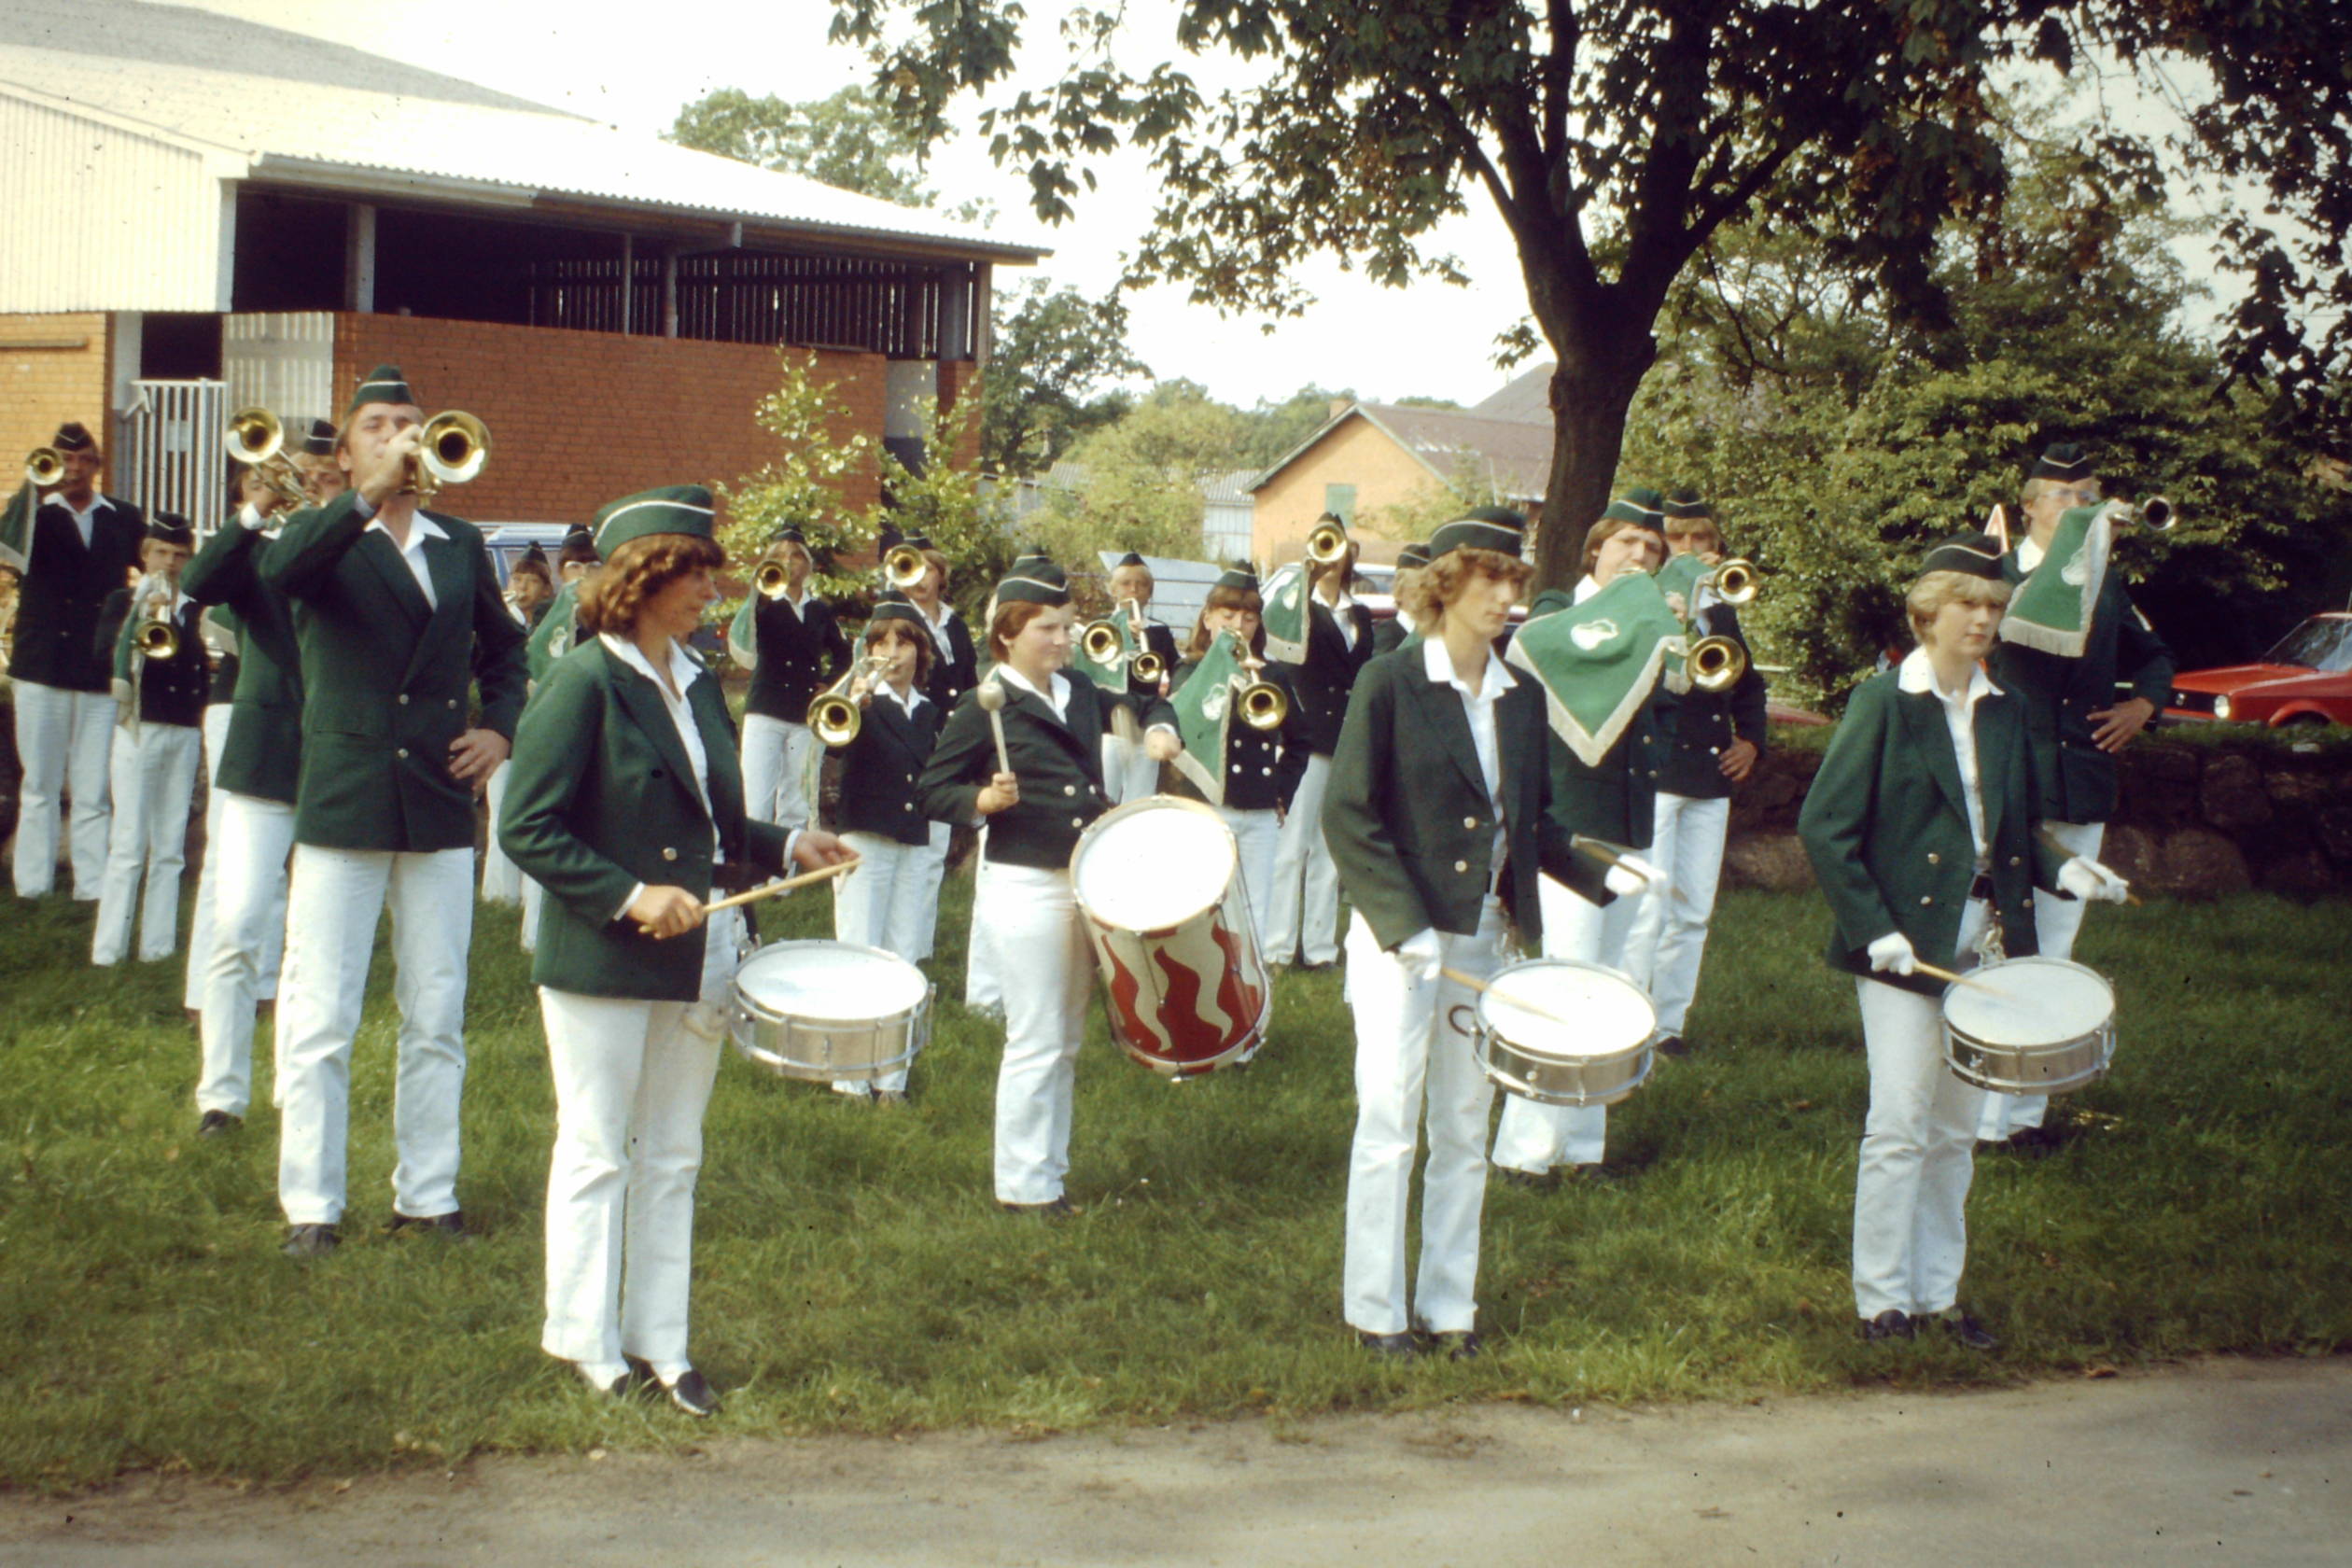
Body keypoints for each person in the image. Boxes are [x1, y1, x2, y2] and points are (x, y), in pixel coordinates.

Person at [499, 484, 848, 1414]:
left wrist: (782, 845)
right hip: (603, 961)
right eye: (694, 573)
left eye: (710, 572)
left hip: (702, 949)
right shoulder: (583, 681)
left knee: (675, 1155)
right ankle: (585, 1341)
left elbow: (711, 816)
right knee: (596, 1150)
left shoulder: (695, 679)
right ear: (642, 577)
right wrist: (626, 895)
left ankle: (661, 1340)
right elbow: (526, 828)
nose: (713, 590)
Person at [1798, 534, 2129, 1348]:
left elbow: (2011, 830)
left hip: (1985, 943)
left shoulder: (2006, 706)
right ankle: (1881, 1301)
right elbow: (1825, 828)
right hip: (1902, 947)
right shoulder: (1883, 702)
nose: (1984, 619)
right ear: (1928, 614)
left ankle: (1938, 1295)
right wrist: (1874, 930)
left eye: (1993, 605)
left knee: (1956, 1130)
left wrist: (2068, 871)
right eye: (1968, 605)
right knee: (1902, 1120)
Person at [259, 365, 529, 1259]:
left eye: (413, 422)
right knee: (322, 1013)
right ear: (348, 450)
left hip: (439, 802)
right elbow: (282, 574)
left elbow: (508, 654)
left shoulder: (456, 542)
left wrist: (500, 732)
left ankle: (428, 1192)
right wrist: (360, 499)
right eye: (379, 425)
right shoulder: (321, 533)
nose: (403, 437)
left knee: (438, 1007)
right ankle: (313, 1206)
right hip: (345, 798)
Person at [1323, 507, 1581, 1359]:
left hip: (1482, 942)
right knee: (1392, 1122)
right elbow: (1350, 816)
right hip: (1403, 943)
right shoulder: (1390, 682)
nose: (1508, 596)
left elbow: (1528, 821)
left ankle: (1449, 1306)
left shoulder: (1522, 695)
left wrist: (1609, 877)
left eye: (1515, 579)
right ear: (1446, 587)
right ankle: (1376, 1310)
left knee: (1466, 1130)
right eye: (1491, 579)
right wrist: (1403, 929)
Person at [918, 559, 1176, 1213]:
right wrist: (981, 798)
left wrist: (1161, 727)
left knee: (1067, 1037)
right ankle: (1022, 1185)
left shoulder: (1081, 690)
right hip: (1025, 883)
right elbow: (930, 789)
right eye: (1048, 629)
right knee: (1035, 1036)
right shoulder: (984, 706)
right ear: (1008, 634)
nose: (1063, 640)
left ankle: (1049, 1173)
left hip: (1087, 879)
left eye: (1067, 627)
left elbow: (1146, 697)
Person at [1975, 442, 2175, 1149]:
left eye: (2090, 494)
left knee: (2055, 947)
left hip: (2078, 778)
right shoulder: (1993, 576)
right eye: (2065, 496)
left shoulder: (2105, 581)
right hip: (2006, 778)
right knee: (1991, 942)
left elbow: (2155, 656)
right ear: (2028, 506)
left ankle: (2022, 1117)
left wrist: (2142, 708)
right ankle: (1970, 1104)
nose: (2082, 506)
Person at [1488, 495, 1673, 1185]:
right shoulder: (1556, 613)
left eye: (1653, 551)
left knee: (1612, 985)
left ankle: (1583, 1144)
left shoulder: (1652, 620)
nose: (1640, 558)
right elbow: (1545, 647)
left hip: (1629, 820)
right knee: (1567, 978)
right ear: (1595, 547)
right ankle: (1525, 1149)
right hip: (1569, 823)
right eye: (1627, 543)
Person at [183, 422, 336, 1032]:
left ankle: (268, 990)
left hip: (322, 734)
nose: (314, 487)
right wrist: (256, 511)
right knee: (234, 877)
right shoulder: (261, 546)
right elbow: (201, 587)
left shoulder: (353, 546)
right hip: (255, 723)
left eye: (327, 478)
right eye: (305, 476)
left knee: (295, 890)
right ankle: (208, 996)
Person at [1620, 492, 1770, 1058]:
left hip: (1709, 776)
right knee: (1646, 908)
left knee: (1692, 909)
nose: (1689, 549)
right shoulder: (1649, 599)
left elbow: (1749, 684)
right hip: (1659, 771)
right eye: (1676, 538)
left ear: (1716, 545)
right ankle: (1631, 1019)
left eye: (1699, 538)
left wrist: (1752, 741)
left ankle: (1669, 1025)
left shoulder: (1723, 612)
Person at [4, 421, 146, 899]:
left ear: (97, 466)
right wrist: (32, 488)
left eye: (84, 460)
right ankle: (32, 885)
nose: (74, 469)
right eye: (65, 459)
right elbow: (7, 551)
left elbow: (158, 564)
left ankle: (92, 886)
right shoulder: (33, 515)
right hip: (41, 665)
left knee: (91, 788)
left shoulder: (123, 516)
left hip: (96, 666)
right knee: (39, 784)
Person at [826, 594, 945, 1103]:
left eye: (904, 642)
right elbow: (834, 744)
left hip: (912, 840)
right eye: (880, 642)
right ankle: (850, 1080)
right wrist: (854, 702)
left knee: (902, 959)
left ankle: (891, 1078)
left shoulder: (930, 711)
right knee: (857, 953)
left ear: (921, 651)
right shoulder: (859, 701)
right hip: (864, 840)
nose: (892, 652)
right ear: (866, 651)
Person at [89, 517, 206, 966]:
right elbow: (103, 653)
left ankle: (157, 948)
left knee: (170, 843)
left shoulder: (196, 606)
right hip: (139, 726)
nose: (170, 563)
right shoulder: (123, 600)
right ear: (145, 554)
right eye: (162, 553)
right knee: (129, 841)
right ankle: (108, 949)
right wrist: (143, 614)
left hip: (183, 727)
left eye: (179, 555)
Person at [1166, 566, 1305, 934]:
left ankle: (1251, 984)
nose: (1238, 626)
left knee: (1256, 906)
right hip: (1207, 804)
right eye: (1227, 616)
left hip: (1259, 806)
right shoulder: (1188, 671)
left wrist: (1282, 794)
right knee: (1203, 900)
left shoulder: (1270, 676)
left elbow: (1300, 741)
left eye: (1248, 618)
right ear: (1207, 617)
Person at [1266, 518, 1373, 969]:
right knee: (1292, 847)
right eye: (1325, 546)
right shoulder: (1293, 606)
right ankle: (1278, 945)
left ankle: (1321, 947)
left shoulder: (1360, 614)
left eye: (1340, 546)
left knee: (1330, 848)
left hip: (1346, 739)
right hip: (1307, 735)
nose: (1333, 556)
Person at [735, 526, 848, 832]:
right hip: (765, 710)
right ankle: (750, 872)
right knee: (756, 796)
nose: (789, 562)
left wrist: (829, 684)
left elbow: (844, 654)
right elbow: (744, 636)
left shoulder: (819, 610)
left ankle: (787, 871)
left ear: (808, 564)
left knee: (796, 798)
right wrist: (759, 593)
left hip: (804, 713)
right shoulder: (763, 605)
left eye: (796, 556)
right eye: (780, 556)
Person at [896, 532, 975, 964]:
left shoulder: (954, 622)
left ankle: (921, 946)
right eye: (913, 568)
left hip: (950, 735)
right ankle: (898, 943)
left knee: (934, 846)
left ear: (941, 576)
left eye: (929, 569)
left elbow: (967, 679)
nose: (921, 578)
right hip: (912, 729)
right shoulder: (898, 621)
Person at [1098, 551, 1182, 804]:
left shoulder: (1159, 631)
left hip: (1146, 726)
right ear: (1113, 590)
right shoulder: (1101, 628)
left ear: (1149, 592)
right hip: (1107, 728)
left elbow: (1176, 671)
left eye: (1141, 584)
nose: (1133, 590)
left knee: (1141, 800)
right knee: (1103, 798)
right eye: (1125, 584)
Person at [1369, 541, 1430, 655]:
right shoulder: (1387, 634)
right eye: (1421, 586)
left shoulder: (1439, 633)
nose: (1427, 595)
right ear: (1400, 588)